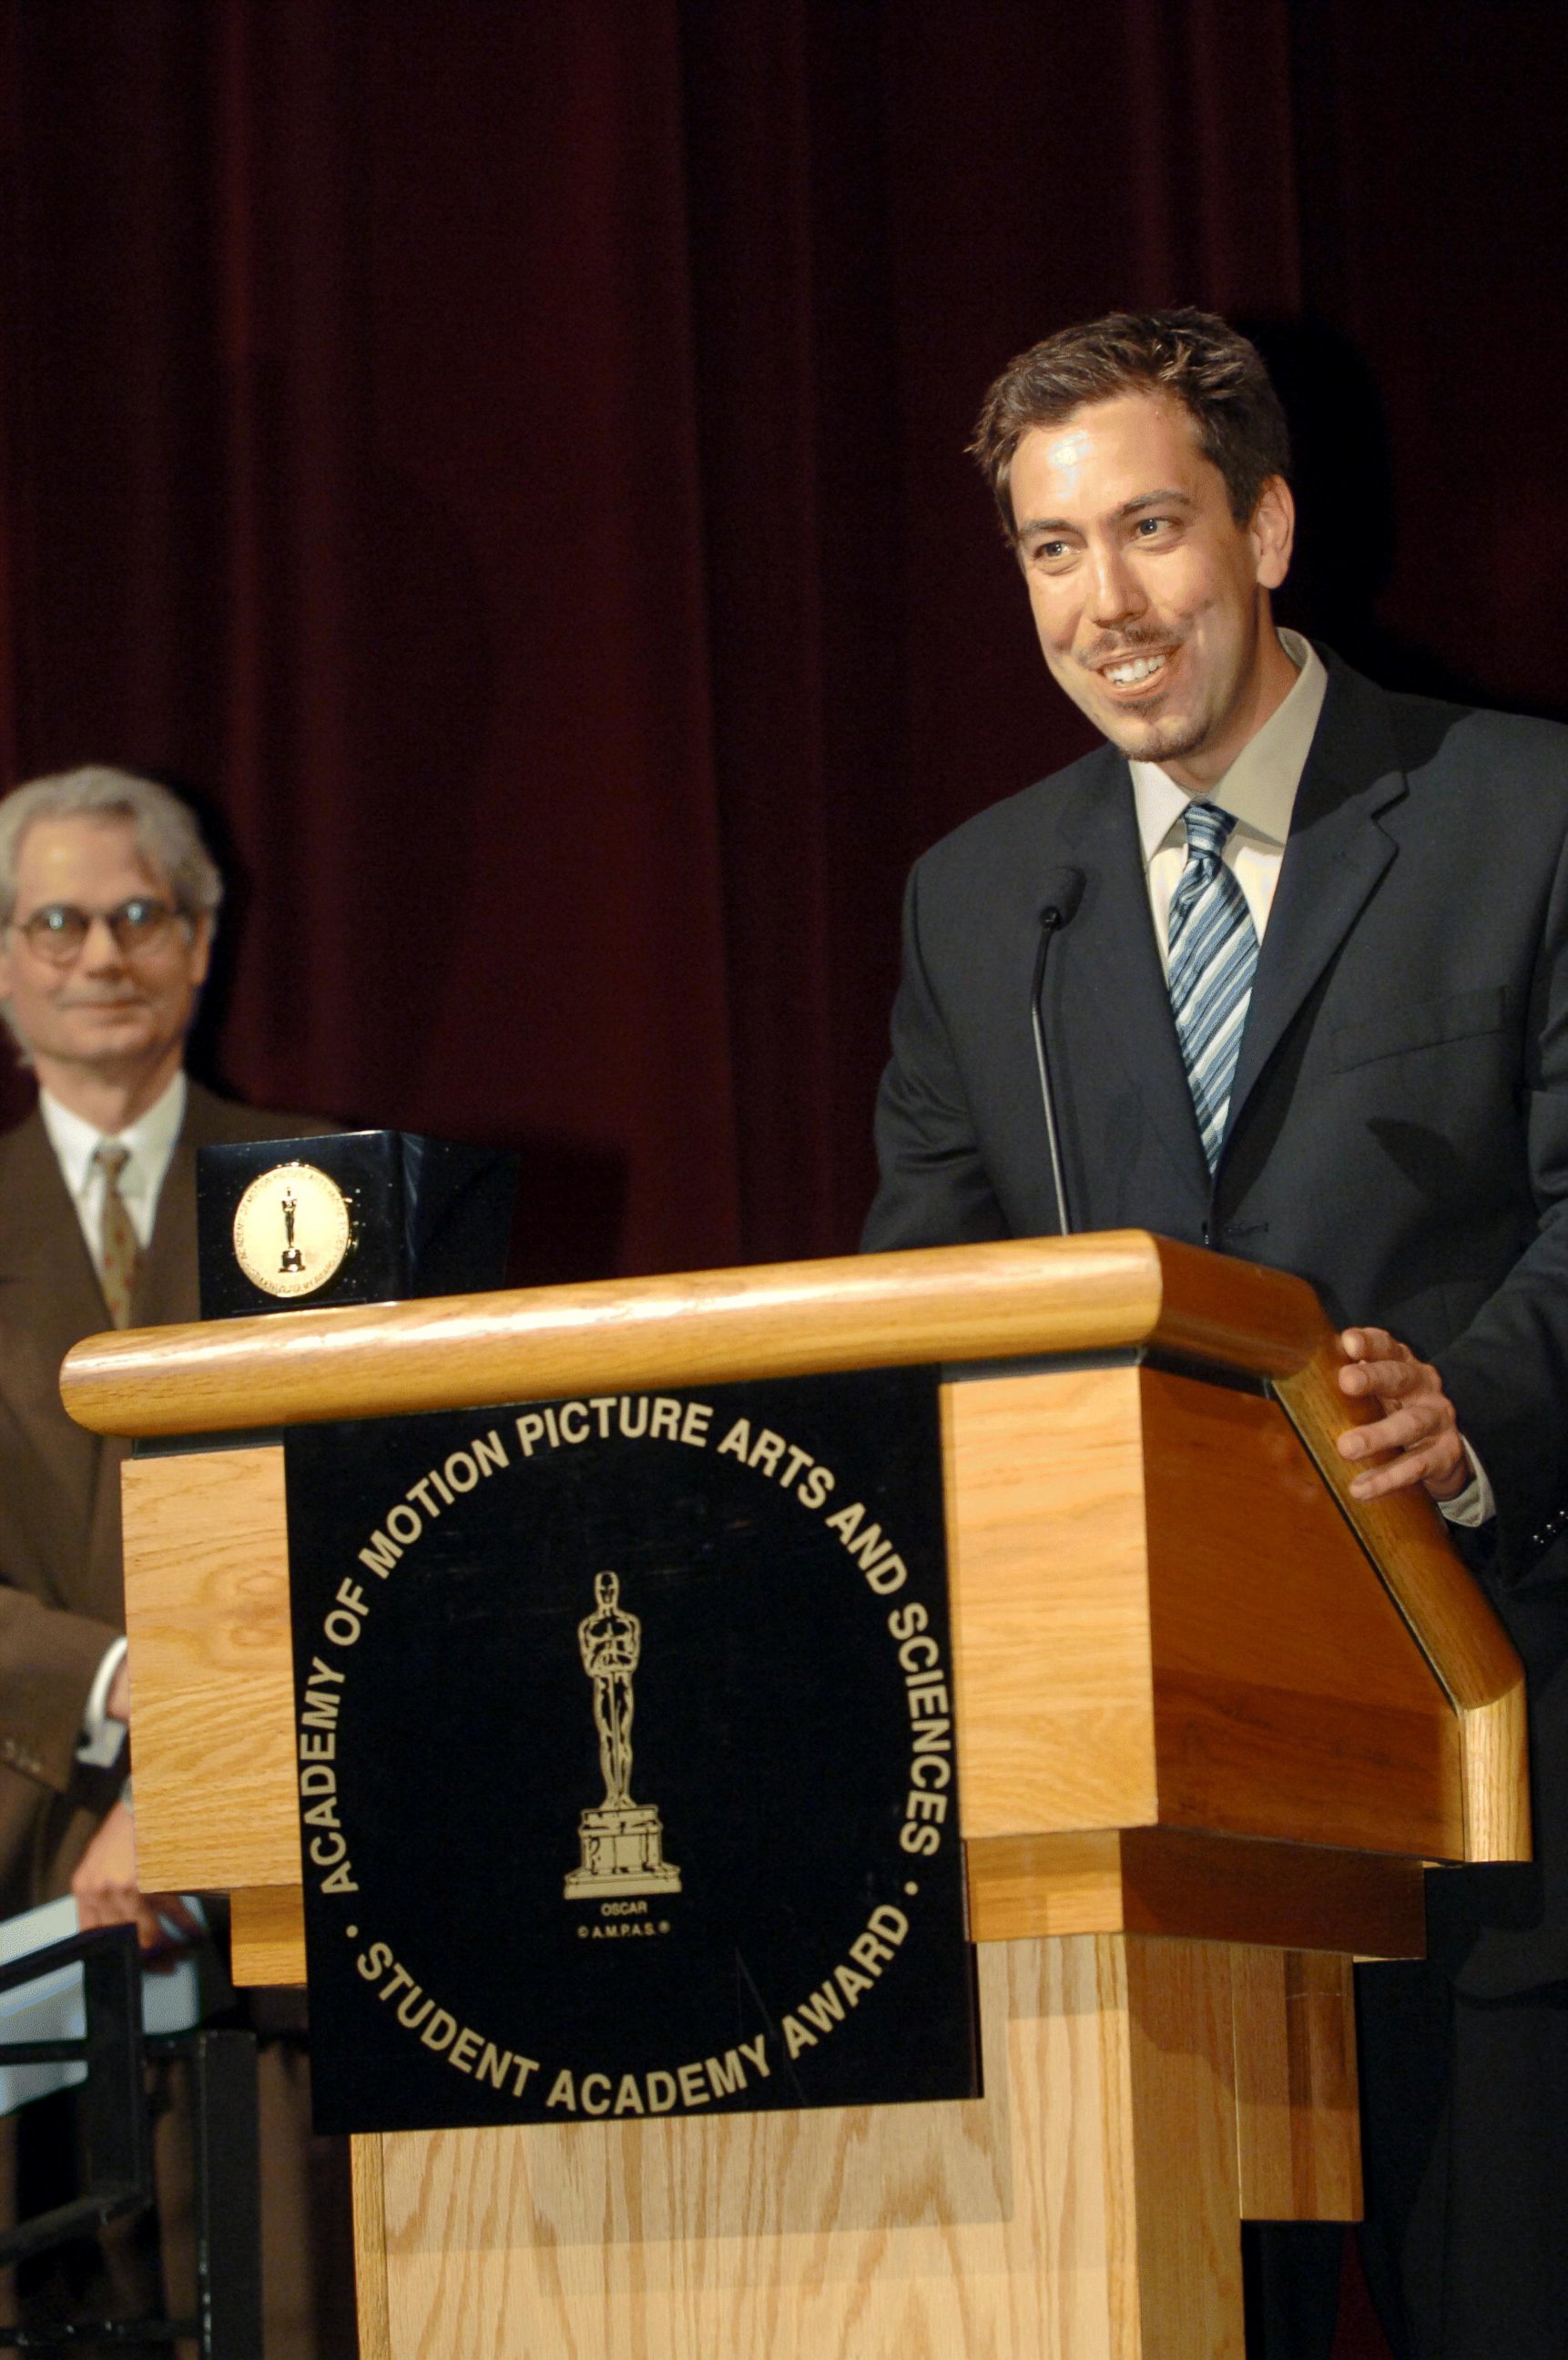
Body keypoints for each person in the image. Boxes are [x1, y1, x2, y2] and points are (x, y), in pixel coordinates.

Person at [862, 310, 1568, 2359]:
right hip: (1145, 1817)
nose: (1107, 602)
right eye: (1052, 551)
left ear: (1264, 527)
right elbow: (930, 1295)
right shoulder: (985, 900)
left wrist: (1482, 1399)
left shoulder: (1519, 809)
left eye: (1150, 528)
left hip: (1483, 1748)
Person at [0, 765, 347, 2349]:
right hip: (13, 1860)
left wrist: (192, 1768)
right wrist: (123, 1686)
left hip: (266, 1866)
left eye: (140, 914)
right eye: (56, 920)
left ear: (203, 945)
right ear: (6, 957)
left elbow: (368, 1510)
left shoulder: (318, 1194)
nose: (100, 954)